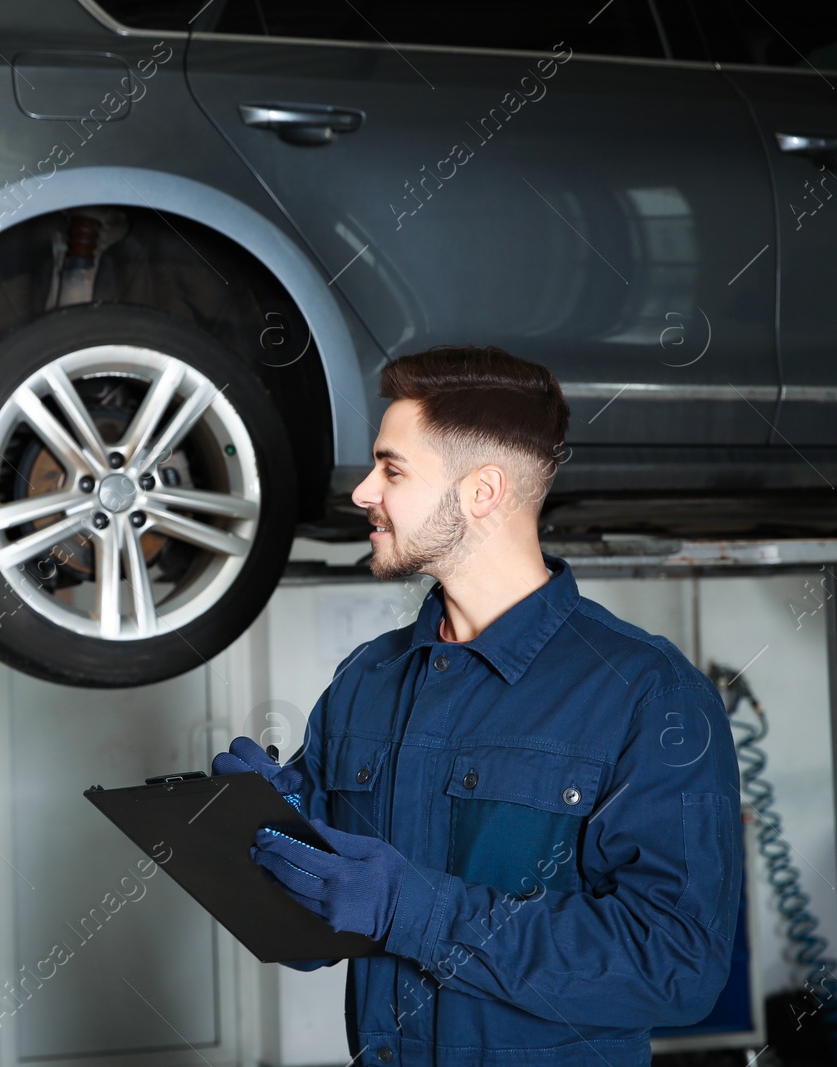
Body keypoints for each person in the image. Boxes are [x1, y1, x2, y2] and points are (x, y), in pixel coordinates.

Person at [215, 346, 741, 1066]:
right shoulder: (367, 678)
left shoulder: (648, 695)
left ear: (482, 491)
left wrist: (416, 911)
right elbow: (312, 943)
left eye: (392, 469)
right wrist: (268, 836)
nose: (364, 491)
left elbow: (676, 965)